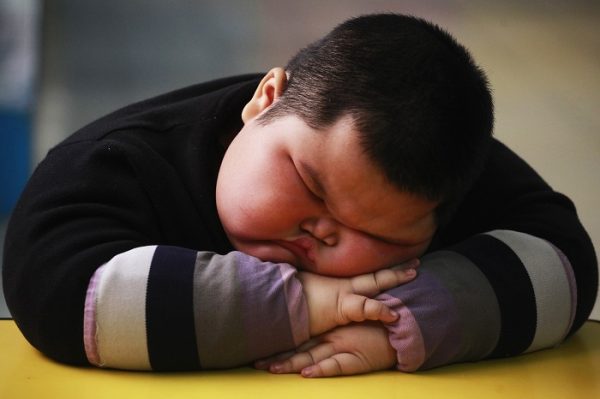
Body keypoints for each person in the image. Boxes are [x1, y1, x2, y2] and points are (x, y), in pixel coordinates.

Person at [2, 14, 597, 377]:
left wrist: (396, 325)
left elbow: (566, 265)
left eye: (380, 236)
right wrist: (313, 304)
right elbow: (53, 290)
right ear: (265, 100)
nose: (322, 233)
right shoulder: (118, 160)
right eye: (308, 184)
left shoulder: (433, 158)